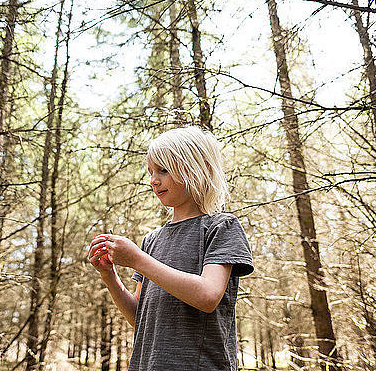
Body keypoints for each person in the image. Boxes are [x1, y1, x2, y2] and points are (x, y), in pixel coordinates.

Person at [88, 126, 254, 370]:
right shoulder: (151, 240)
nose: (154, 181)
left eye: (164, 170)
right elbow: (139, 317)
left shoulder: (221, 227)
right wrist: (109, 276)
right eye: (151, 172)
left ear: (200, 169)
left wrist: (137, 259)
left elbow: (207, 296)